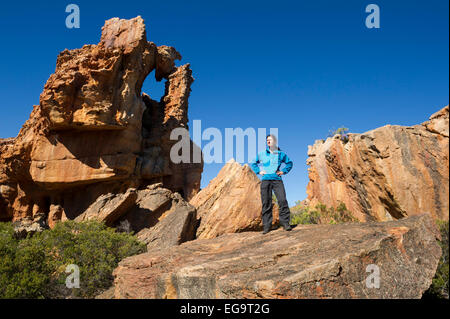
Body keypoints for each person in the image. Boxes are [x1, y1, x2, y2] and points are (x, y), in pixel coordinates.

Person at [250, 134, 293, 234]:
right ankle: (267, 226)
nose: (268, 141)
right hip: (265, 181)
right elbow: (253, 163)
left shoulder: (280, 154)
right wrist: (259, 171)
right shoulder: (262, 154)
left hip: (277, 180)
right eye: (267, 140)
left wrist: (283, 171)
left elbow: (289, 163)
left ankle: (285, 223)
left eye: (270, 140)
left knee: (282, 200)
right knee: (266, 202)